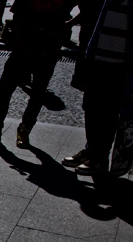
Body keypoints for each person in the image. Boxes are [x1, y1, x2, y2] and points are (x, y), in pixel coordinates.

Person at [0, 0, 77, 148]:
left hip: (47, 49)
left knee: (36, 93)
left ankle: (22, 130)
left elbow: (88, 8)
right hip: (26, 47)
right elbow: (16, 14)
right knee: (6, 89)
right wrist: (20, 41)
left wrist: (68, 25)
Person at [65, 0, 132, 175]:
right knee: (91, 106)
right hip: (98, 57)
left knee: (107, 112)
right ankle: (91, 151)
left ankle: (98, 159)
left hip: (119, 65)